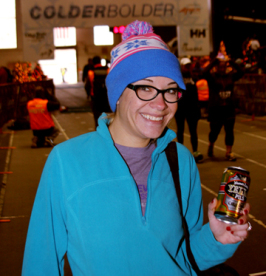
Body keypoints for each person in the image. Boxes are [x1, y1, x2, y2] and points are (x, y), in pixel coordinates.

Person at [22, 21, 251, 276]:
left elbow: (186, 258)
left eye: (171, 90)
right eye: (145, 88)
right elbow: (40, 263)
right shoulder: (66, 162)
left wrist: (216, 238)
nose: (160, 104)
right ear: (118, 93)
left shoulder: (180, 161)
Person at [202, 57, 245, 161]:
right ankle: (211, 144)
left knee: (229, 131)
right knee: (214, 131)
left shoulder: (230, 76)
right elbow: (204, 72)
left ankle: (228, 152)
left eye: (224, 66)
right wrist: (214, 61)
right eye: (220, 66)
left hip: (228, 108)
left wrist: (231, 62)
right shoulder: (212, 77)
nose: (222, 68)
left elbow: (241, 72)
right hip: (216, 109)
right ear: (216, 67)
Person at [174, 57, 204, 163]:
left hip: (191, 108)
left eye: (188, 65)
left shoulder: (193, 77)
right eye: (185, 66)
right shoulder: (176, 77)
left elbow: (196, 93)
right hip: (180, 108)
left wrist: (198, 107)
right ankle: (180, 153)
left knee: (193, 131)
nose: (187, 67)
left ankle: (195, 151)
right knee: (180, 130)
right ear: (181, 66)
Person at [88, 55, 111, 128]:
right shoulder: (108, 70)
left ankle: (98, 135)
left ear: (93, 62)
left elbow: (88, 86)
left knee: (97, 120)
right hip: (107, 99)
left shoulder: (91, 72)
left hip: (95, 99)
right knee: (109, 118)